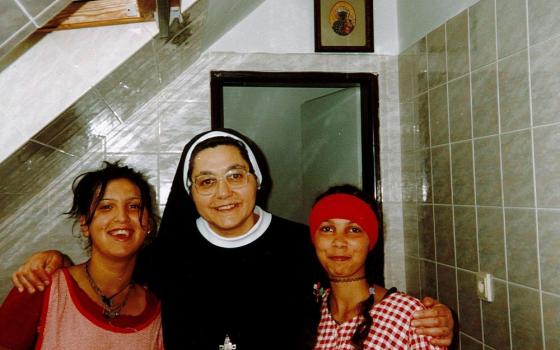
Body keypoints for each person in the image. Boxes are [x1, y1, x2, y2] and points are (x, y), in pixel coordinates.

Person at [10, 129, 454, 349]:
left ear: (257, 180)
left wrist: (430, 317)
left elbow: (352, 284)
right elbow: (106, 276)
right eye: (206, 182)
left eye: (235, 176)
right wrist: (51, 258)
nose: (223, 193)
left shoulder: (301, 243)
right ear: (191, 193)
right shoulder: (165, 254)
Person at [0, 161, 164, 350]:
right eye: (106, 207)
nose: (122, 218)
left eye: (134, 206)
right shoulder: (40, 284)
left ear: (149, 225)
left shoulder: (158, 312)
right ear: (85, 224)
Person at [308, 185, 446, 349]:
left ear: (370, 242)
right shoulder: (305, 312)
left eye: (353, 229)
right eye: (327, 229)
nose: (339, 242)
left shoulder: (408, 315)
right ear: (314, 239)